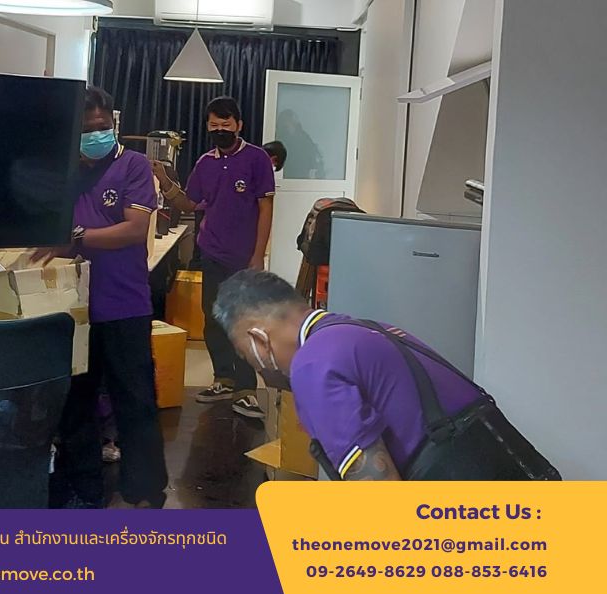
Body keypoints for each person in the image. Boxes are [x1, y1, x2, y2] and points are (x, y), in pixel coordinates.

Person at [211, 269, 486, 480]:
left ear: (258, 339)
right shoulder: (361, 329)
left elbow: (380, 496)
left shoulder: (312, 366)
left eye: (244, 354)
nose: (257, 368)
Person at [32, 87, 167, 508]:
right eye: (88, 128)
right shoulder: (65, 173)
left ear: (113, 123)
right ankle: (84, 487)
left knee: (135, 400)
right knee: (76, 403)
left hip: (124, 303)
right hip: (73, 308)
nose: (97, 134)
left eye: (103, 126)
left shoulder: (133, 165)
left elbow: (133, 230)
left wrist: (75, 237)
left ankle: (145, 488)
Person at [151, 96, 275, 420]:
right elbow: (190, 204)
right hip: (212, 252)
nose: (220, 130)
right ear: (207, 126)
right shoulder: (205, 163)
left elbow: (265, 208)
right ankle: (223, 380)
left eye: (226, 124)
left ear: (239, 125)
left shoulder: (257, 158)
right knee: (213, 318)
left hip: (244, 256)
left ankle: (247, 390)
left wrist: (259, 254)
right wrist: (165, 182)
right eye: (214, 125)